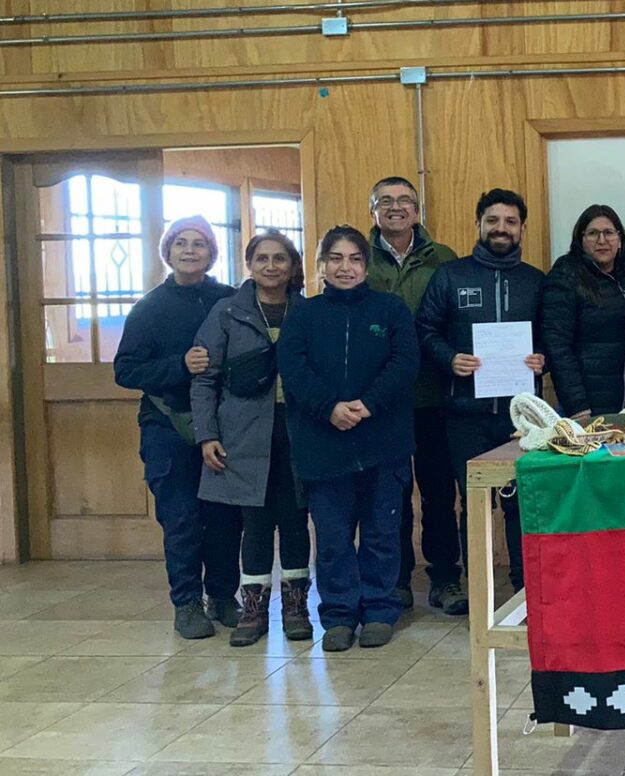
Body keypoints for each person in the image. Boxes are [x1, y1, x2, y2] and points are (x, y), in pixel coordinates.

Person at [278, 226, 419, 651]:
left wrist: (369, 404)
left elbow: (405, 363)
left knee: (382, 532)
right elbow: (293, 368)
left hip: (383, 441)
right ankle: (339, 615)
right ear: (321, 265)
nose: (346, 267)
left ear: (366, 265)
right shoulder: (302, 314)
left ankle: (378, 610)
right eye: (335, 259)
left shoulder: (390, 309)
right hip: (323, 443)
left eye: (355, 259)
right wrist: (330, 408)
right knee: (333, 537)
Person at [114, 216, 241, 640]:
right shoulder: (149, 308)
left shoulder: (229, 299)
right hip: (167, 423)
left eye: (199, 243)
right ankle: (187, 603)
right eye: (181, 243)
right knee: (182, 516)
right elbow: (126, 370)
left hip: (223, 424)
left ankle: (222, 596)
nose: (190, 250)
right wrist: (179, 366)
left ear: (211, 253)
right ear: (167, 251)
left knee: (224, 516)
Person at [416, 189, 545, 597]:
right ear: (479, 224)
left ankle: (527, 590)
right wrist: (450, 358)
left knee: (522, 501)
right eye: (493, 220)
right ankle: (480, 592)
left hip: (521, 418)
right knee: (473, 503)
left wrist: (542, 359)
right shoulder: (450, 276)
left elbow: (552, 337)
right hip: (464, 412)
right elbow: (425, 330)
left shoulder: (535, 281)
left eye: (510, 222)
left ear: (522, 228)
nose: (501, 228)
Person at [191, 231, 312, 647]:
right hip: (243, 435)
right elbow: (204, 379)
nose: (271, 266)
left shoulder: (308, 311)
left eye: (280, 258)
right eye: (262, 258)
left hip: (298, 432)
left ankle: (296, 607)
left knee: (295, 520)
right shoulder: (227, 313)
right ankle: (254, 609)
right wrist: (207, 434)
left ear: (292, 266)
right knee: (255, 524)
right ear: (250, 264)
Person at [364, 176, 462, 614]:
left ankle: (445, 578)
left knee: (439, 493)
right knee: (389, 496)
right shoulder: (357, 257)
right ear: (373, 212)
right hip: (379, 400)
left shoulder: (443, 258)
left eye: (405, 200)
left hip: (434, 395)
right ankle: (396, 580)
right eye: (385, 201)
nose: (396, 207)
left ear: (417, 212)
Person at [541, 205, 625, 417]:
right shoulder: (565, 276)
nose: (602, 241)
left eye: (609, 233)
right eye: (593, 233)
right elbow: (557, 346)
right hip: (588, 404)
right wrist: (577, 405)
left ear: (620, 239)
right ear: (580, 240)